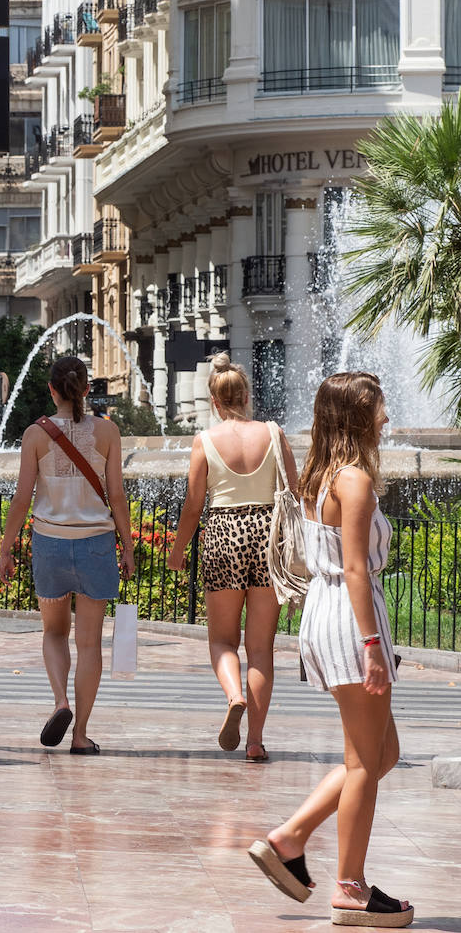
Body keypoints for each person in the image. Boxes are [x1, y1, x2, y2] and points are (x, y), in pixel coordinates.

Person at [248, 373, 412, 928]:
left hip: (326, 612)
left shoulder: (323, 477)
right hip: (351, 617)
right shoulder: (356, 480)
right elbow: (357, 567)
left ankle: (290, 837)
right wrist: (372, 645)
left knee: (380, 753)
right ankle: (350, 886)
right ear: (358, 417)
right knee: (366, 761)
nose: (388, 417)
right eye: (379, 408)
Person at [0, 355, 135, 755]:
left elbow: (23, 497)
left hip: (50, 542)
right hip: (96, 543)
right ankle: (80, 735)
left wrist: (7, 547)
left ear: (52, 390)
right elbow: (118, 495)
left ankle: (61, 701)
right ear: (87, 390)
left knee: (54, 632)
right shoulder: (108, 432)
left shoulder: (35, 435)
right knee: (89, 643)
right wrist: (126, 546)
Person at [167, 353, 297, 762]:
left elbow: (193, 505)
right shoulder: (274, 433)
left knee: (223, 639)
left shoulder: (205, 441)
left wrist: (177, 549)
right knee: (261, 649)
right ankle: (255, 742)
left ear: (214, 402)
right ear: (246, 395)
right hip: (267, 537)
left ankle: (234, 695)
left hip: (224, 533)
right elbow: (293, 492)